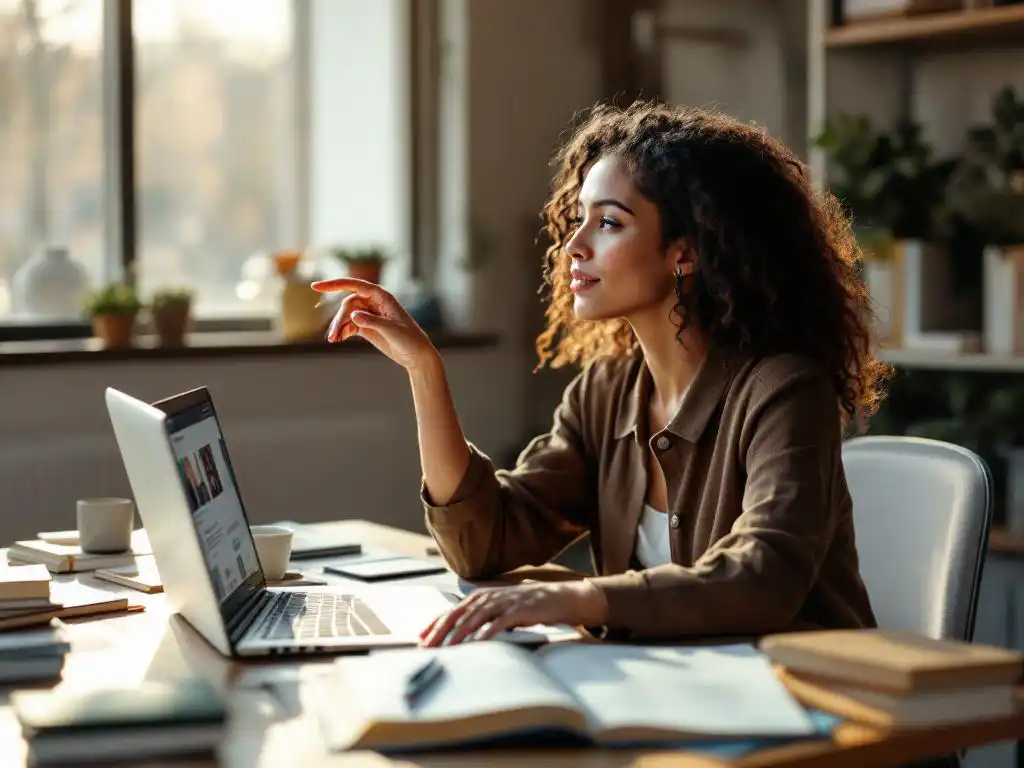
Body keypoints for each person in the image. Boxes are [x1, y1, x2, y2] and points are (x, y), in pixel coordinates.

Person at [312, 100, 890, 648]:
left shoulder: (785, 391)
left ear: (685, 253)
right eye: (578, 219)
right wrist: (424, 369)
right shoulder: (605, 393)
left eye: (609, 223)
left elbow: (764, 576)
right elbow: (484, 543)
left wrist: (577, 598)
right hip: (676, 692)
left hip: (814, 701)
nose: (573, 245)